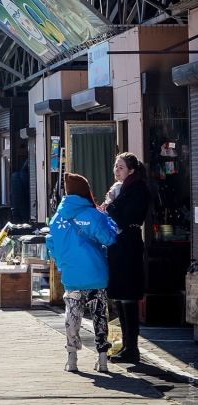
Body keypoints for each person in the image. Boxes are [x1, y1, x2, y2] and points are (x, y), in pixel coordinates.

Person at [47, 172, 117, 373]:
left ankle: (72, 359)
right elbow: (109, 239)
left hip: (71, 277)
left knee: (72, 315)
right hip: (96, 275)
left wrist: (62, 261)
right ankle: (102, 359)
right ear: (85, 191)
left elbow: (51, 243)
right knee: (100, 316)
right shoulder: (94, 214)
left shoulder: (57, 218)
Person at [103, 152, 151, 364]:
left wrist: (111, 204)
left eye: (121, 167)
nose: (116, 170)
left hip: (129, 244)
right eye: (115, 166)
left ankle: (132, 348)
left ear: (132, 170)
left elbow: (123, 218)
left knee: (128, 295)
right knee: (120, 296)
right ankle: (125, 346)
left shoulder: (138, 189)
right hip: (118, 245)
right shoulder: (121, 188)